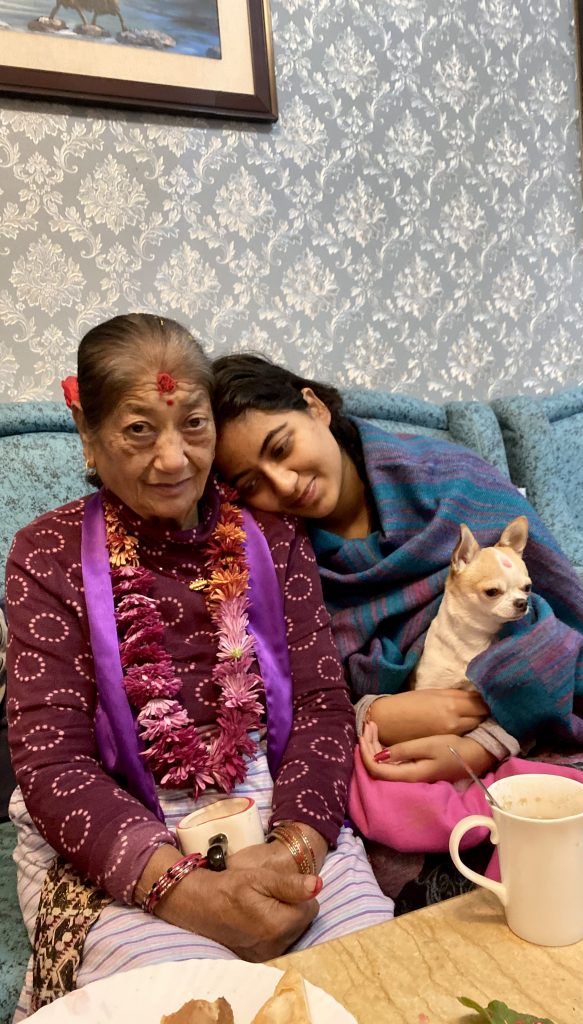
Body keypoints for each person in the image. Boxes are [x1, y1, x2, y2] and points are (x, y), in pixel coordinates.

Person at [5, 317, 392, 1020]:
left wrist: (295, 847)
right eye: (138, 430)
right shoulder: (46, 553)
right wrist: (185, 891)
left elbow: (322, 710)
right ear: (88, 436)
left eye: (192, 423)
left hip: (278, 810)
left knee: (367, 978)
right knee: (189, 998)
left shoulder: (272, 537)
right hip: (120, 834)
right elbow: (53, 766)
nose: (174, 459)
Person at [211, 354, 583, 904]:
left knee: (548, 833)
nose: (283, 482)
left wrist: (484, 742)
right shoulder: (275, 557)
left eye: (281, 448)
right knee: (397, 875)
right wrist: (372, 713)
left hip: (542, 720)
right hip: (399, 747)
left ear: (315, 406)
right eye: (252, 482)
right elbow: (295, 696)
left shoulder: (450, 480)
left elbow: (553, 622)